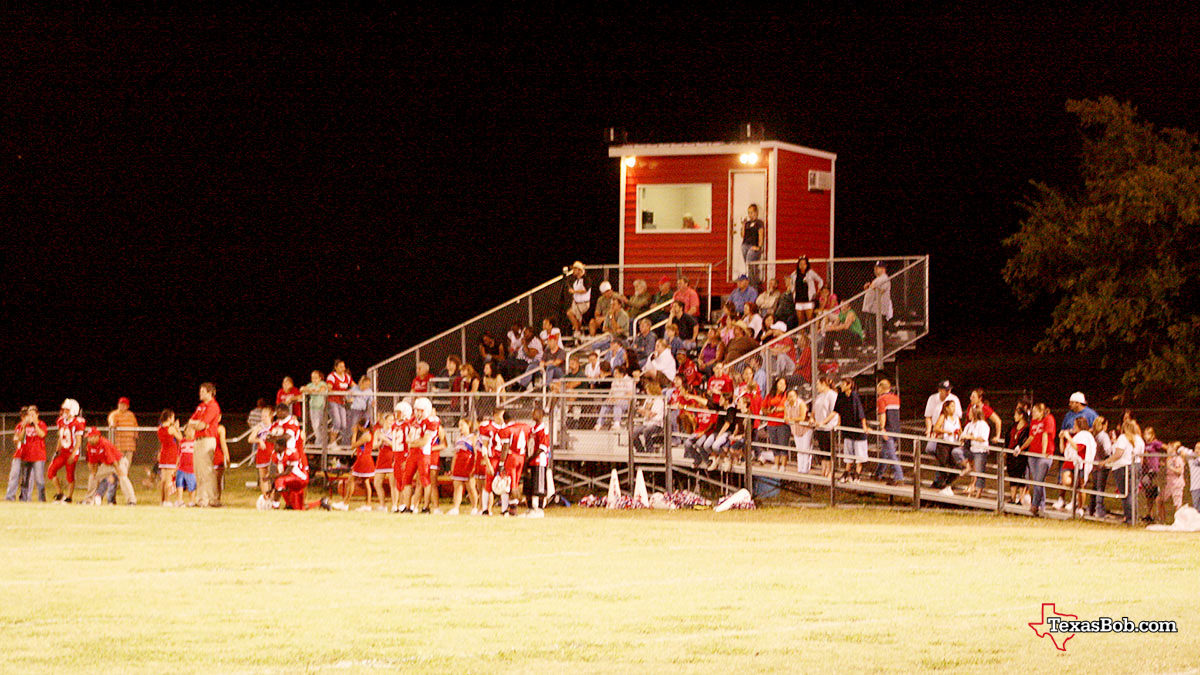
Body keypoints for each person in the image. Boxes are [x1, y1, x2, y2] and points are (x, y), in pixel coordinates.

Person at [185, 382, 221, 507]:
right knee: (198, 471)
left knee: (207, 471)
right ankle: (201, 499)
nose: (200, 393)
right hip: (198, 440)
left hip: (207, 440)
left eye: (203, 391)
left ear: (210, 392)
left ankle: (212, 499)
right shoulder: (200, 406)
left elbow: (202, 424)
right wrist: (196, 424)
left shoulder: (213, 406)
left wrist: (196, 424)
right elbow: (191, 422)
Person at [83, 427, 136, 505]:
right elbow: (93, 462)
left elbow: (113, 460)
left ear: (97, 436)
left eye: (91, 437)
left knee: (123, 478)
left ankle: (131, 501)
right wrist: (94, 474)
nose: (89, 439)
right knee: (92, 477)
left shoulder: (104, 443)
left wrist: (119, 471)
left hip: (119, 462)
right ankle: (88, 500)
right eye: (88, 437)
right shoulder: (90, 445)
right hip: (107, 465)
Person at [1021, 402, 1056, 517]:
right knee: (1037, 481)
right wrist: (1022, 448)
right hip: (1033, 454)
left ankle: (1035, 505)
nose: (1033, 414)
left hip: (1044, 455)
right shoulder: (1034, 422)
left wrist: (1044, 452)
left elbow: (1045, 435)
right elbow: (1031, 437)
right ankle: (1041, 504)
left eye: (1035, 412)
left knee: (1038, 481)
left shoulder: (1048, 419)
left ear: (1041, 412)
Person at [48, 399, 86, 502]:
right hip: (63, 452)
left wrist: (73, 454)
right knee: (51, 471)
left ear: (73, 410)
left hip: (71, 452)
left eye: (67, 409)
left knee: (69, 475)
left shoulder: (77, 423)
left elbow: (78, 441)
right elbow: (60, 438)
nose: (64, 411)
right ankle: (60, 493)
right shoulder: (60, 421)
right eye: (64, 409)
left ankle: (69, 497)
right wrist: (56, 451)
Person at [833, 378, 869, 481]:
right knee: (848, 452)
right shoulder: (841, 396)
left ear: (849, 385)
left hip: (857, 429)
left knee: (859, 453)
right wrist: (839, 422)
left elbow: (861, 412)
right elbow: (837, 410)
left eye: (844, 384)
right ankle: (847, 472)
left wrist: (864, 426)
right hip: (847, 429)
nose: (841, 386)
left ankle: (857, 474)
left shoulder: (854, 396)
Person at [10, 406, 48, 501]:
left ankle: (42, 499)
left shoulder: (41, 424)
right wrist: (23, 426)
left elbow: (42, 434)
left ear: (37, 414)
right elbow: (20, 439)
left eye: (32, 414)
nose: (30, 416)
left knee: (39, 480)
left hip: (38, 456)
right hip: (26, 456)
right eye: (29, 414)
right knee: (25, 479)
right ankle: (24, 499)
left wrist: (35, 424)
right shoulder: (25, 425)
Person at [929, 399, 967, 494]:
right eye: (951, 406)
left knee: (956, 465)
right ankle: (941, 483)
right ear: (946, 408)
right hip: (944, 444)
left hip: (954, 444)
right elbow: (936, 428)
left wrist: (960, 434)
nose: (953, 408)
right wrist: (946, 432)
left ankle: (948, 482)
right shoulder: (943, 417)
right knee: (944, 463)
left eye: (954, 406)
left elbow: (960, 430)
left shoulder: (956, 418)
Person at [923, 381, 962, 461]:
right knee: (931, 449)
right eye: (946, 390)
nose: (948, 392)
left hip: (951, 432)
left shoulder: (954, 399)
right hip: (938, 432)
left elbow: (958, 417)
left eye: (949, 390)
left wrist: (959, 433)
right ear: (940, 390)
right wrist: (928, 430)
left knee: (950, 456)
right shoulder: (932, 399)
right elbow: (928, 416)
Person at [448, 418, 480, 516]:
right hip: (459, 465)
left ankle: (474, 507)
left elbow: (476, 454)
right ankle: (456, 508)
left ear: (468, 425)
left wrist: (474, 467)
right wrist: (452, 468)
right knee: (457, 486)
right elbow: (455, 454)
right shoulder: (459, 438)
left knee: (470, 487)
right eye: (459, 425)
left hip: (468, 465)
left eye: (462, 425)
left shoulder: (473, 438)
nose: (460, 428)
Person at [874, 379, 904, 485]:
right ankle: (878, 473)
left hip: (888, 429)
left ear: (881, 388)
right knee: (885, 452)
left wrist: (882, 428)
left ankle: (899, 477)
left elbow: (882, 415)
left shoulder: (881, 399)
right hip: (896, 428)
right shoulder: (896, 398)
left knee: (891, 454)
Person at [107, 397, 138, 491]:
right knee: (117, 466)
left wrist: (135, 435)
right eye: (120, 404)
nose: (122, 406)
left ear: (127, 406)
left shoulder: (131, 415)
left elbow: (136, 427)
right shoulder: (114, 414)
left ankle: (123, 485)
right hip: (118, 447)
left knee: (126, 466)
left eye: (124, 404)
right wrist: (112, 424)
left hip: (129, 446)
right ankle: (114, 485)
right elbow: (111, 422)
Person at [960, 407, 992, 499]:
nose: (968, 414)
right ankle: (968, 470)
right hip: (971, 449)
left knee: (979, 471)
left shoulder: (983, 425)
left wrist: (971, 437)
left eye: (970, 413)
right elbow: (963, 435)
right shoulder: (969, 425)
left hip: (980, 450)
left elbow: (983, 438)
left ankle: (978, 492)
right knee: (958, 453)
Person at [526, 407, 551, 517]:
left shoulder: (543, 429)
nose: (533, 414)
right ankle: (530, 508)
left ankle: (540, 508)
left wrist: (531, 457)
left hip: (539, 461)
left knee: (539, 485)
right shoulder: (532, 429)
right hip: (531, 461)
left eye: (535, 412)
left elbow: (542, 447)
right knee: (529, 485)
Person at [860, 261, 893, 347]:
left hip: (878, 308)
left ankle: (880, 347)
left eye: (877, 268)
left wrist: (872, 287)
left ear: (883, 269)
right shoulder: (878, 279)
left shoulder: (884, 278)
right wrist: (869, 288)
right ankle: (876, 346)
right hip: (872, 308)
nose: (875, 270)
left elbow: (880, 291)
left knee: (874, 330)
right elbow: (873, 291)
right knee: (870, 330)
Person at [812, 377, 839, 477]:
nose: (817, 386)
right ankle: (824, 469)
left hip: (829, 427)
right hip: (819, 427)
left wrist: (824, 422)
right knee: (822, 449)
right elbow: (814, 410)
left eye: (818, 384)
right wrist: (812, 419)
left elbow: (834, 411)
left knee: (829, 449)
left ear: (824, 384)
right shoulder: (819, 396)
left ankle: (830, 470)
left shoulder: (832, 395)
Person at [373, 409, 399, 511]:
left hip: (392, 457)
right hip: (382, 457)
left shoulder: (395, 432)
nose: (391, 422)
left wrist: (386, 440)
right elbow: (374, 445)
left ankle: (394, 505)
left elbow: (396, 446)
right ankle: (382, 505)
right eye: (389, 420)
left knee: (393, 483)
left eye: (393, 421)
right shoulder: (379, 431)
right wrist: (380, 442)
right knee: (377, 483)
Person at [1087, 417, 1113, 517]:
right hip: (1102, 464)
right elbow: (1107, 450)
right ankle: (1099, 509)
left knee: (1095, 486)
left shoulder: (1093, 435)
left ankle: (1091, 508)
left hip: (1094, 464)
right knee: (1100, 488)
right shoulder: (1103, 436)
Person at [1005, 406, 1031, 506]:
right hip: (1011, 453)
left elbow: (1025, 439)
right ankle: (1012, 497)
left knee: (1021, 476)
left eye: (1016, 414)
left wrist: (1020, 447)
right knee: (1012, 475)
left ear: (1021, 416)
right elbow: (1008, 437)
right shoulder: (1013, 426)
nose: (1014, 416)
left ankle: (1021, 499)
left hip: (1020, 455)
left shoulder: (1026, 428)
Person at [156, 410, 182, 506]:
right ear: (169, 418)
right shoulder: (170, 429)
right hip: (171, 454)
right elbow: (180, 438)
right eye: (173, 417)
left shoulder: (160, 428)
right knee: (168, 480)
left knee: (163, 479)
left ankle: (163, 500)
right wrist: (177, 428)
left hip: (163, 453)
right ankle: (167, 500)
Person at [631, 382, 665, 455]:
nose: (647, 392)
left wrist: (646, 412)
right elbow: (644, 411)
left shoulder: (659, 401)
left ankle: (650, 451)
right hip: (646, 423)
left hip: (656, 424)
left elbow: (652, 414)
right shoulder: (648, 400)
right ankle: (640, 451)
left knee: (647, 431)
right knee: (633, 431)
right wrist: (645, 412)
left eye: (648, 390)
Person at [251, 405, 276, 501]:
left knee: (272, 476)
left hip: (272, 453)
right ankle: (266, 498)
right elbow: (250, 439)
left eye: (265, 416)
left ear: (271, 416)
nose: (263, 418)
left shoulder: (275, 426)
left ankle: (273, 497)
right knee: (263, 477)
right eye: (262, 416)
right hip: (262, 453)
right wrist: (259, 441)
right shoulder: (259, 427)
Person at [784, 389, 813, 473]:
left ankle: (806, 468)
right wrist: (790, 419)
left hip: (805, 429)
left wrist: (792, 419)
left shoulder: (801, 404)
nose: (791, 398)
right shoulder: (786, 404)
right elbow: (786, 417)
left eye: (793, 396)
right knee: (799, 449)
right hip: (795, 429)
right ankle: (800, 468)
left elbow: (802, 417)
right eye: (789, 396)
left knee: (805, 449)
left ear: (796, 396)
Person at [301, 370, 330, 449]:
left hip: (320, 407)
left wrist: (314, 391)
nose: (314, 380)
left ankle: (320, 441)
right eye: (312, 378)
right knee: (314, 425)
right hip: (312, 407)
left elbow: (322, 389)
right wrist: (309, 390)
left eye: (316, 378)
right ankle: (320, 440)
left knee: (318, 425)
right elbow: (302, 389)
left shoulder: (322, 383)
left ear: (320, 378)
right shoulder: (311, 385)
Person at [791, 256, 823, 324]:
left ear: (807, 265)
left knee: (810, 319)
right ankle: (802, 334)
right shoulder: (794, 274)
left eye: (804, 264)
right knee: (800, 320)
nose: (802, 266)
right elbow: (791, 283)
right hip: (798, 300)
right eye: (800, 264)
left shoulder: (810, 273)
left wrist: (819, 289)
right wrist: (792, 290)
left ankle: (812, 333)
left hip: (808, 300)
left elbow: (820, 280)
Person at [740, 204, 765, 285]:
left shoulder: (759, 223)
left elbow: (761, 234)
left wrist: (759, 246)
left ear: (756, 213)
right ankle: (751, 279)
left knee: (750, 261)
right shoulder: (747, 223)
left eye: (752, 213)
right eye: (749, 213)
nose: (750, 215)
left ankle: (752, 282)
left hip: (754, 246)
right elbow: (743, 235)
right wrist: (743, 225)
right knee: (748, 264)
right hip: (746, 245)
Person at [565, 261, 592, 336]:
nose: (573, 271)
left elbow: (585, 290)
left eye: (575, 269)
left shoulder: (586, 279)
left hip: (583, 303)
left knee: (571, 314)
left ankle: (577, 331)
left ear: (579, 270)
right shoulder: (576, 280)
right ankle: (578, 331)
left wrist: (574, 291)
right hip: (576, 303)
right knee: (574, 317)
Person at [1162, 441, 1185, 520]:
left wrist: (1170, 467)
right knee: (1159, 499)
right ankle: (1162, 520)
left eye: (1169, 447)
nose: (1167, 449)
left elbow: (1179, 471)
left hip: (1176, 483)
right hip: (1169, 483)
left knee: (1177, 504)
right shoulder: (1169, 458)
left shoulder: (1178, 458)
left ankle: (1178, 521)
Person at [175, 427, 197, 507]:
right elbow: (179, 454)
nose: (191, 432)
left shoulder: (196, 441)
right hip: (182, 467)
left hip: (191, 468)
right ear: (185, 432)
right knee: (179, 484)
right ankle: (179, 500)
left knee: (191, 485)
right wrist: (176, 466)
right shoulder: (182, 442)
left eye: (193, 430)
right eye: (189, 430)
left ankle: (191, 501)